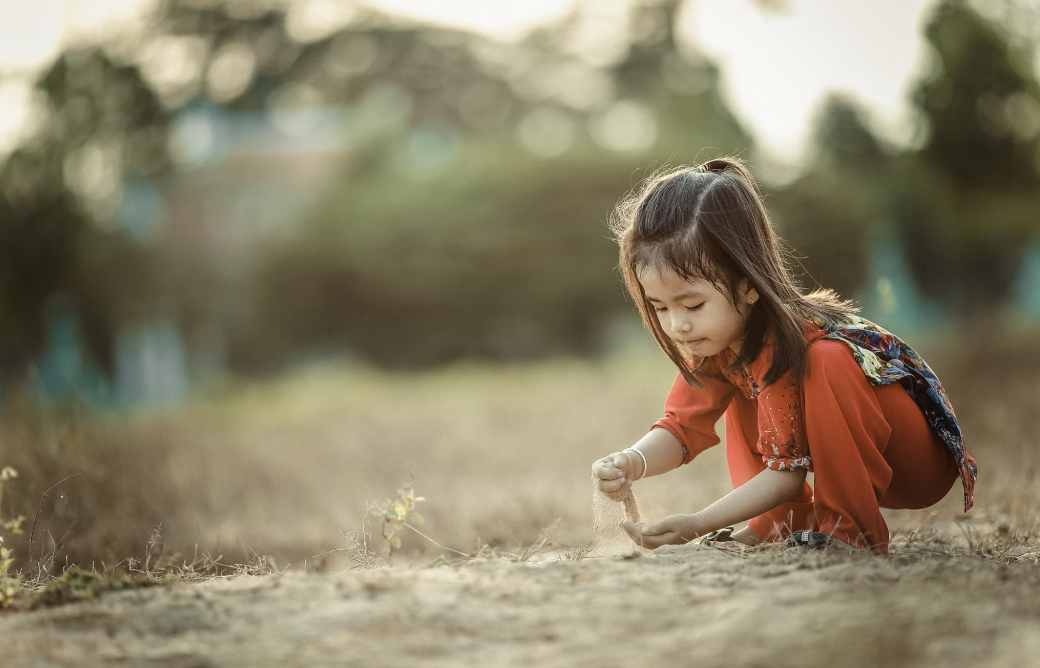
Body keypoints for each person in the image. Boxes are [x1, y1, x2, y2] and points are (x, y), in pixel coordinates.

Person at [591, 157, 977, 554]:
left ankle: (851, 534)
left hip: (914, 463)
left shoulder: (792, 341)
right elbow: (680, 428)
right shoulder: (716, 344)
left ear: (748, 285)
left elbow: (785, 477)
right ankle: (782, 524)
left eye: (692, 306)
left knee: (826, 360)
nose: (677, 326)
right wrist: (632, 461)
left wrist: (696, 523)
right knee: (745, 385)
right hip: (853, 463)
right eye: (660, 308)